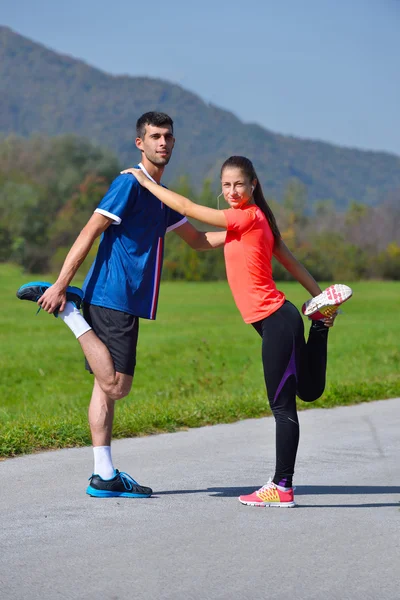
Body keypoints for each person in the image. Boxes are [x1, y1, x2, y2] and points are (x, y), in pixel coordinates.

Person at [121, 156, 353, 508]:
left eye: (238, 184)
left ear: (253, 185)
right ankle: (319, 322)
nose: (232, 191)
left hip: (277, 320)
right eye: (226, 185)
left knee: (283, 407)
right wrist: (318, 298)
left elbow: (188, 205)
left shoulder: (245, 217)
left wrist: (146, 183)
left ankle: (282, 487)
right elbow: (201, 241)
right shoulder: (252, 223)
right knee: (307, 390)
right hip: (281, 320)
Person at [16, 111, 226, 499]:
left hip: (120, 299)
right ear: (140, 143)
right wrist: (62, 284)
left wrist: (243, 231)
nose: (162, 142)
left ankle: (103, 475)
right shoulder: (129, 184)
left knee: (102, 385)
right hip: (114, 296)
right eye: (155, 136)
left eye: (168, 137)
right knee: (116, 386)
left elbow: (198, 241)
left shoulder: (163, 198)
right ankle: (70, 314)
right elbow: (90, 230)